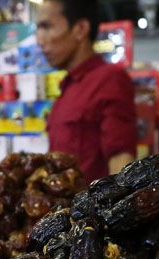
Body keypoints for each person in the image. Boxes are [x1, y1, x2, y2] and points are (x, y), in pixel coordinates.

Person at [37, 0, 137, 183]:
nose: (39, 40)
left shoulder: (109, 79)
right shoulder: (67, 86)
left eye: (47, 27)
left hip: (92, 209)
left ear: (80, 29)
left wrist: (114, 208)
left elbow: (121, 158)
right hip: (63, 209)